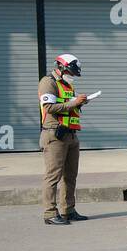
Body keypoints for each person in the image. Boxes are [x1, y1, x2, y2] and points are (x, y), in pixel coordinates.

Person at [39, 53, 90, 226]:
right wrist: (74, 103)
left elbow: (67, 105)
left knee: (70, 176)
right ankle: (50, 213)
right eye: (70, 72)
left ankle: (68, 210)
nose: (73, 76)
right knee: (53, 176)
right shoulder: (48, 82)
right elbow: (50, 107)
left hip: (70, 134)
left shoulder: (66, 85)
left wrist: (79, 103)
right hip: (55, 135)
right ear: (60, 67)